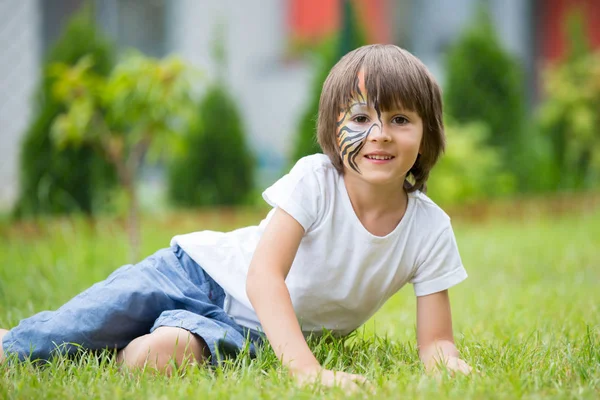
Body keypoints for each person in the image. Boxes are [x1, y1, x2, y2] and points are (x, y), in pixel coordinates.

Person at [0, 44, 471, 390]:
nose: (380, 135)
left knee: (155, 359)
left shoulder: (429, 230)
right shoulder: (316, 181)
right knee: (58, 335)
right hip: (194, 275)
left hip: (250, 330)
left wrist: (452, 371)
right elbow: (264, 276)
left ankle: (127, 346)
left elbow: (435, 343)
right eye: (361, 118)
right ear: (332, 129)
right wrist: (307, 371)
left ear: (428, 135)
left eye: (400, 120)